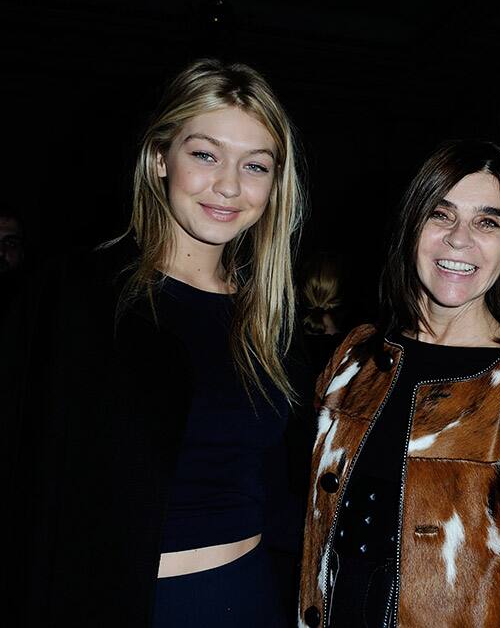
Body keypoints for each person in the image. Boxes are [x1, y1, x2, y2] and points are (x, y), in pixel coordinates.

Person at [4, 59, 306, 627]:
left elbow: (274, 489)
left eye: (256, 165)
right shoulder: (78, 295)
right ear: (159, 157)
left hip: (253, 597)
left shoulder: (270, 322)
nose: (229, 185)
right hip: (129, 605)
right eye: (205, 154)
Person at [297, 140, 500, 628]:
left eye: (488, 222)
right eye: (441, 214)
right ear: (413, 228)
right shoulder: (355, 358)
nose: (459, 239)